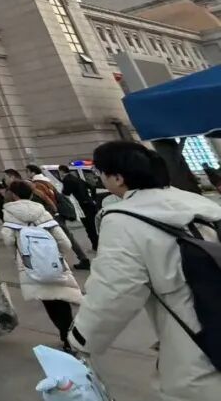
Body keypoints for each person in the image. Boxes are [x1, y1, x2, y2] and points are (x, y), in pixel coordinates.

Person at [70, 141, 221, 401]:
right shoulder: (200, 204)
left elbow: (114, 290)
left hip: (196, 336)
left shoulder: (124, 220)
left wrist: (81, 339)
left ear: (118, 178)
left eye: (101, 172)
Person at [1, 181, 83, 351]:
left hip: (31, 266)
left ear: (14, 195)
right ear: (31, 194)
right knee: (62, 298)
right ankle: (71, 336)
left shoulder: (9, 214)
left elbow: (8, 241)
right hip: (54, 262)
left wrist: (18, 256)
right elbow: (65, 243)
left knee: (49, 300)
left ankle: (65, 335)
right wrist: (56, 255)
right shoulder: (42, 211)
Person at [31, 174, 91, 269]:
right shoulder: (49, 185)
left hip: (51, 216)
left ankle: (62, 263)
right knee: (68, 237)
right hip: (59, 214)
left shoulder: (38, 187)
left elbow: (45, 203)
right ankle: (83, 258)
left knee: (58, 239)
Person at [59, 165, 99, 251]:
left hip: (82, 206)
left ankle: (95, 245)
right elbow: (92, 187)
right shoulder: (76, 178)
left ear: (61, 171)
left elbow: (66, 193)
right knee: (94, 225)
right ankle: (98, 244)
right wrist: (93, 199)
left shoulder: (67, 180)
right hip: (90, 203)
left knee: (89, 226)